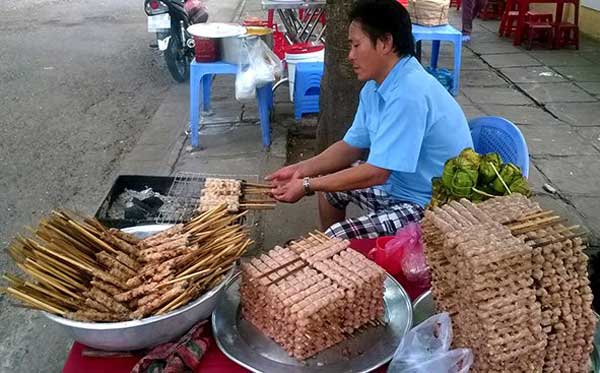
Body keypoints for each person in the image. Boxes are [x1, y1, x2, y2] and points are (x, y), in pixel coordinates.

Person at [266, 0, 473, 239]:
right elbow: (350, 147)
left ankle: (340, 261)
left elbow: (377, 173)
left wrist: (306, 185)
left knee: (336, 234)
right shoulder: (374, 87)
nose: (351, 55)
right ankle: (336, 260)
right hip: (396, 189)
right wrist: (299, 171)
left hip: (430, 204)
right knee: (329, 188)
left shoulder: (409, 92)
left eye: (356, 45)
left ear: (385, 43)